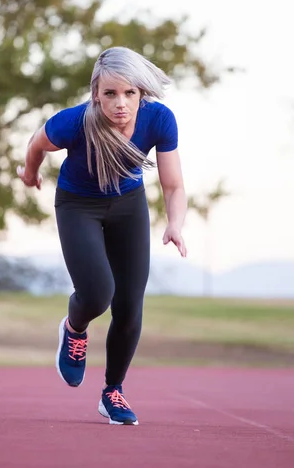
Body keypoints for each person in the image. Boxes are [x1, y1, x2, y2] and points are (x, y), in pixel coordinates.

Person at [17, 46, 187, 426]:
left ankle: (113, 391)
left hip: (128, 207)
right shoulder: (75, 122)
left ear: (142, 93)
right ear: (96, 93)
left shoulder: (158, 120)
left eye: (130, 93)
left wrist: (175, 223)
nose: (120, 103)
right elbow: (37, 144)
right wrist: (30, 173)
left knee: (129, 307)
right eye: (110, 93)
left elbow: (174, 186)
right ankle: (74, 328)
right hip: (78, 206)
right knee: (97, 294)